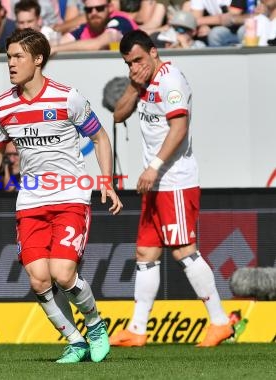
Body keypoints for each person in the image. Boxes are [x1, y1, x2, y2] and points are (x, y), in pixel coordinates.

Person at [0, 28, 123, 363]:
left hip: (70, 197)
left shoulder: (68, 97)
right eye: (8, 57)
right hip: (31, 201)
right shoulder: (4, 105)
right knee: (39, 280)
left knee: (63, 274)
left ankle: (94, 325)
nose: (11, 63)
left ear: (38, 59)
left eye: (18, 56)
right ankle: (75, 341)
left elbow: (100, 138)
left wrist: (105, 181)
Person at [110, 30, 234, 347]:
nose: (134, 66)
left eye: (138, 59)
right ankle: (138, 330)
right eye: (128, 62)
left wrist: (153, 167)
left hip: (174, 179)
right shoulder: (142, 82)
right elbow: (118, 113)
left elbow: (179, 128)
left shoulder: (171, 80)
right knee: (145, 252)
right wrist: (135, 83)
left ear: (154, 52)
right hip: (156, 182)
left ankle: (220, 323)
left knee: (183, 250)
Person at [51, 0, 138, 53]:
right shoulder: (84, 28)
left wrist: (54, 49)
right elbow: (60, 42)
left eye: (99, 8)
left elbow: (97, 44)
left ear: (110, 7)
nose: (94, 13)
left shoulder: (120, 21)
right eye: (89, 9)